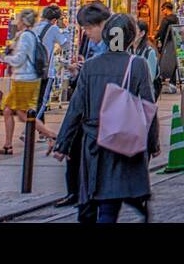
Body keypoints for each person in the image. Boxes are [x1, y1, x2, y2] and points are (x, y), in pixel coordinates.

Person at [54, 14, 159, 223]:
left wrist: (62, 144)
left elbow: (75, 108)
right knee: (110, 204)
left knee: (91, 199)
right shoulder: (137, 64)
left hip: (92, 143)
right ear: (130, 37)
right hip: (121, 142)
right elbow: (148, 108)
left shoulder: (91, 66)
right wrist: (152, 143)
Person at [53, 2, 110, 208]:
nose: (86, 33)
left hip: (98, 117)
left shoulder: (113, 49)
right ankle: (77, 193)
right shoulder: (93, 44)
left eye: (87, 28)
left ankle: (86, 197)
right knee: (77, 155)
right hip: (88, 114)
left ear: (101, 24)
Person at [0, 9, 57, 155]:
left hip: (25, 79)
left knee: (23, 114)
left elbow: (19, 59)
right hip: (25, 78)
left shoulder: (26, 37)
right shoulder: (29, 35)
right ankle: (7, 145)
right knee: (8, 110)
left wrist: (4, 59)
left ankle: (52, 135)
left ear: (23, 21)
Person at [154, 2, 179, 98]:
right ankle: (172, 82)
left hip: (167, 43)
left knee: (163, 62)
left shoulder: (166, 20)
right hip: (174, 43)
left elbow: (161, 32)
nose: (162, 12)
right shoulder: (176, 19)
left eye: (163, 9)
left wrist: (155, 36)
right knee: (173, 63)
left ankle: (160, 82)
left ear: (166, 9)